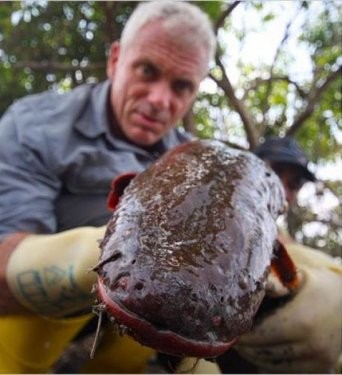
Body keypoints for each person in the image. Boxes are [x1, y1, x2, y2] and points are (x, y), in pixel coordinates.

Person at [0, 2, 220, 373]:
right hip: (32, 322)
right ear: (116, 59)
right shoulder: (36, 127)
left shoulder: (195, 166)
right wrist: (89, 260)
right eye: (147, 70)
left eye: (181, 86)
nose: (159, 100)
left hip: (135, 334)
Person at [217, 136, 341, 374]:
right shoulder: (214, 215)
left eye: (293, 184)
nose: (282, 189)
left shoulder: (290, 245)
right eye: (271, 173)